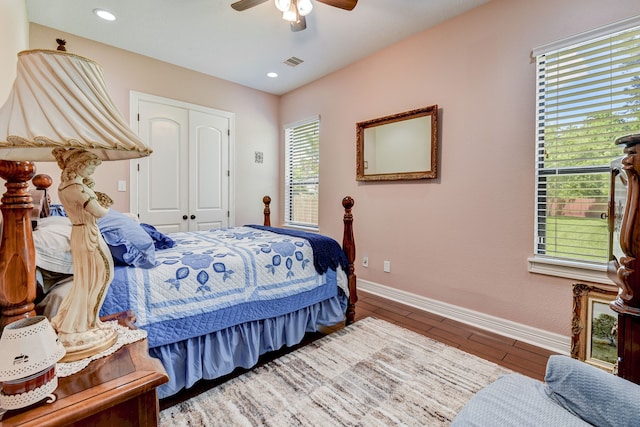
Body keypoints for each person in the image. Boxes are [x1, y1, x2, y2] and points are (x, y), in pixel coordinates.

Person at [50, 148, 117, 361]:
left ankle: (74, 320)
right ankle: (87, 323)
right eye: (90, 166)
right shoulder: (78, 188)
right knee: (102, 275)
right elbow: (99, 212)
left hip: (78, 233)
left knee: (86, 279)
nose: (92, 170)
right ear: (79, 166)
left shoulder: (64, 187)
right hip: (88, 234)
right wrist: (105, 203)